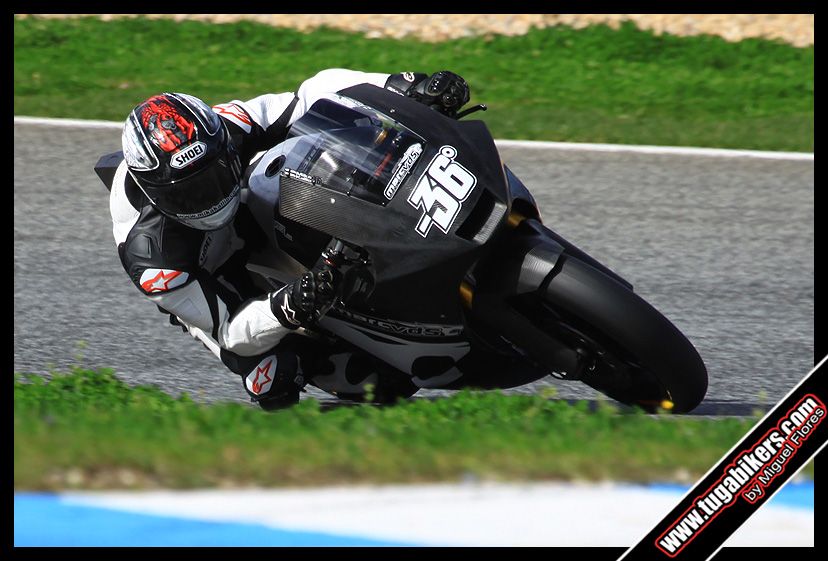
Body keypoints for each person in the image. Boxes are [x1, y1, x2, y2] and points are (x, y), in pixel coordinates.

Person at [109, 68, 471, 409]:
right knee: (271, 378)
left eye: (214, 175)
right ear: (156, 194)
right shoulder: (155, 261)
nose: (210, 197)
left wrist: (403, 87)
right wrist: (288, 306)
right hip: (210, 269)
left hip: (249, 200)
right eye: (189, 194)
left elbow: (313, 91)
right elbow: (231, 329)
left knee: (323, 153)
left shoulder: (225, 126)